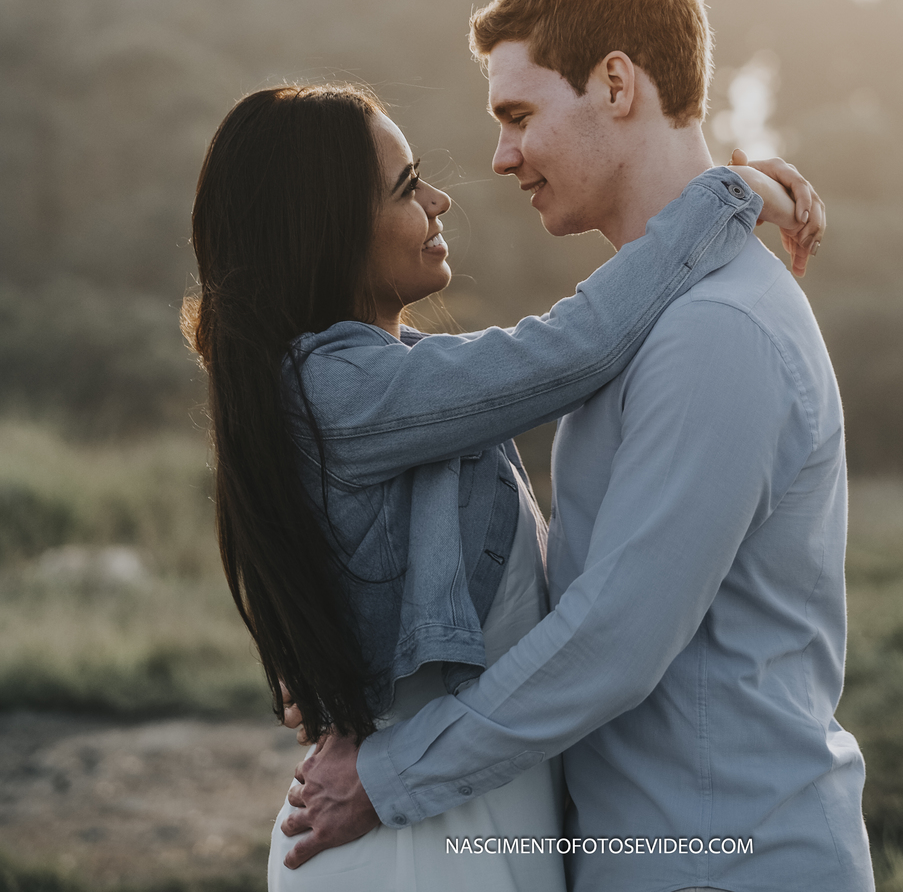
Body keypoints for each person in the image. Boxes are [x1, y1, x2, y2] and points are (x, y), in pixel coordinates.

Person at [285, 0, 873, 892]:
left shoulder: (715, 330)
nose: (500, 156)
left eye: (519, 115)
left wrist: (392, 776)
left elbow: (613, 641)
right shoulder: (658, 322)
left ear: (616, 84)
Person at [184, 72, 815, 890]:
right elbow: (575, 347)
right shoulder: (337, 393)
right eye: (408, 187)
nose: (440, 200)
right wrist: (727, 195)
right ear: (328, 228)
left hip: (464, 819)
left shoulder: (397, 387)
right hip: (408, 848)